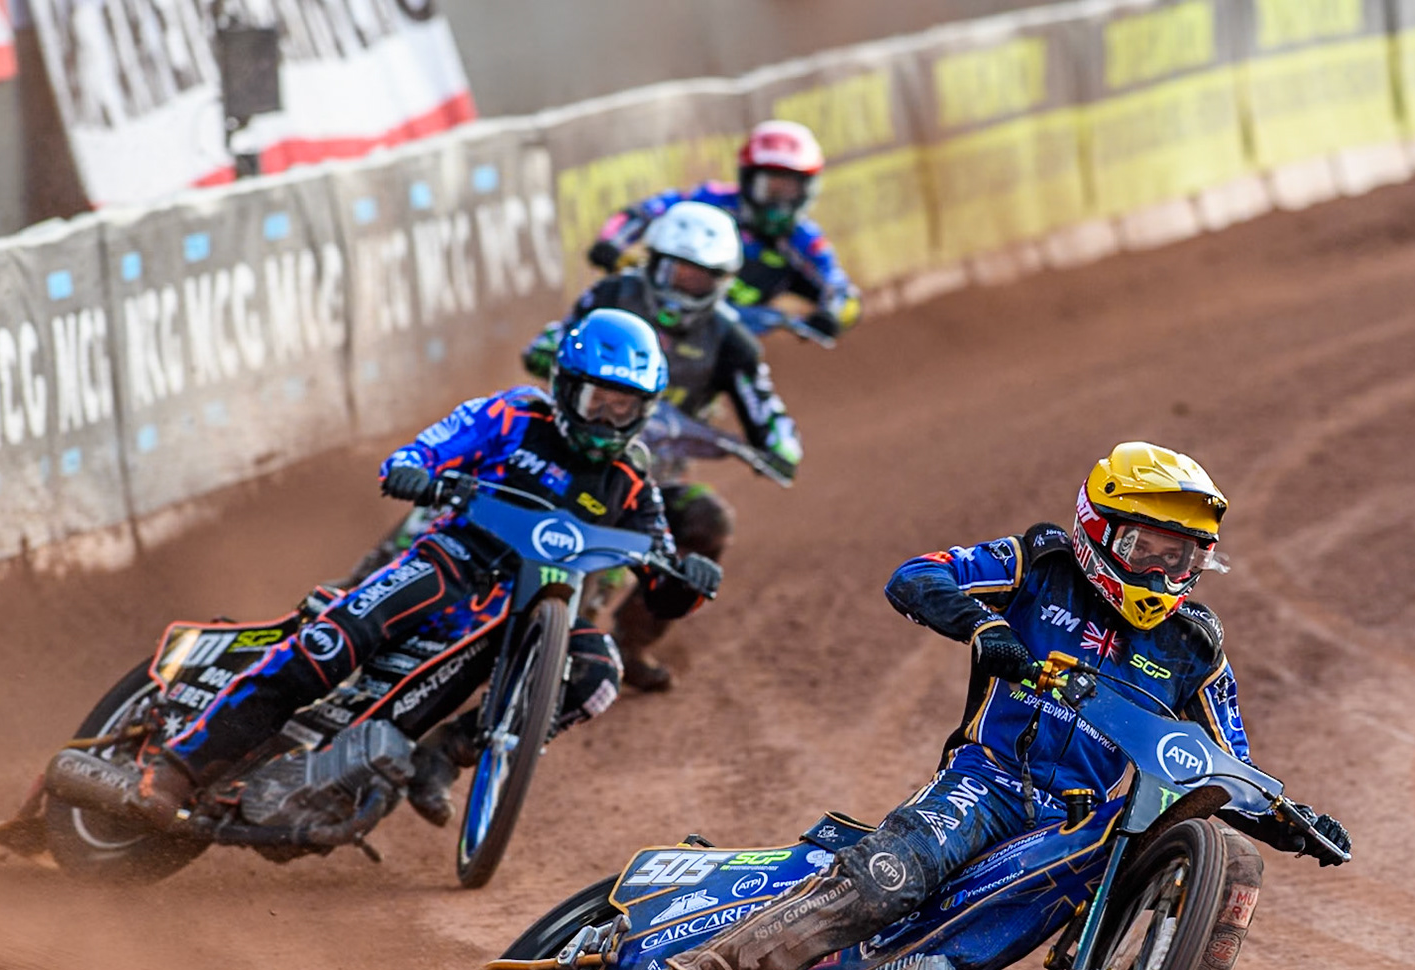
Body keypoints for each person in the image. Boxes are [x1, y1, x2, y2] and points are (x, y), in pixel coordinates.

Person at [609, 442, 1353, 970]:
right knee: (889, 878)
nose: (1162, 570)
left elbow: (1227, 759)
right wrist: (981, 627)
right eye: (1146, 548)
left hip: (1078, 823)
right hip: (986, 783)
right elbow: (918, 574)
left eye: (1183, 555)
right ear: (1100, 531)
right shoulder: (1043, 562)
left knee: (1236, 863)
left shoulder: (1194, 642)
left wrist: (1291, 815)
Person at [121, 310, 722, 829]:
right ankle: (178, 765)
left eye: (625, 410)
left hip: (528, 612)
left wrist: (687, 582)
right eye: (598, 402)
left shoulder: (634, 479)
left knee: (598, 674)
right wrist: (412, 470)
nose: (607, 423)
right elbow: (425, 451)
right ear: (566, 388)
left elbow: (659, 569)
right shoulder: (514, 415)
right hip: (452, 562)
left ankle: (448, 753)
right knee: (332, 642)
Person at [527, 200, 800, 691]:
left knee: (707, 520)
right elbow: (555, 337)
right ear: (654, 263)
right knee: (475, 474)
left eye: (700, 279)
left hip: (644, 479)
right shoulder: (613, 293)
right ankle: (373, 579)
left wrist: (780, 443)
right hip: (559, 447)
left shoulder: (731, 340)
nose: (685, 287)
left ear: (721, 282)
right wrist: (549, 349)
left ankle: (628, 642)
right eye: (679, 272)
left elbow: (764, 406)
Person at [587, 120, 861, 341]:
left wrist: (831, 317)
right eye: (770, 188)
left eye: (791, 190)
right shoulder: (711, 198)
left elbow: (843, 293)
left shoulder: (804, 239)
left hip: (726, 328)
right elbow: (641, 213)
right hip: (663, 301)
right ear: (747, 179)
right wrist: (611, 243)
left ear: (808, 191)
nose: (779, 202)